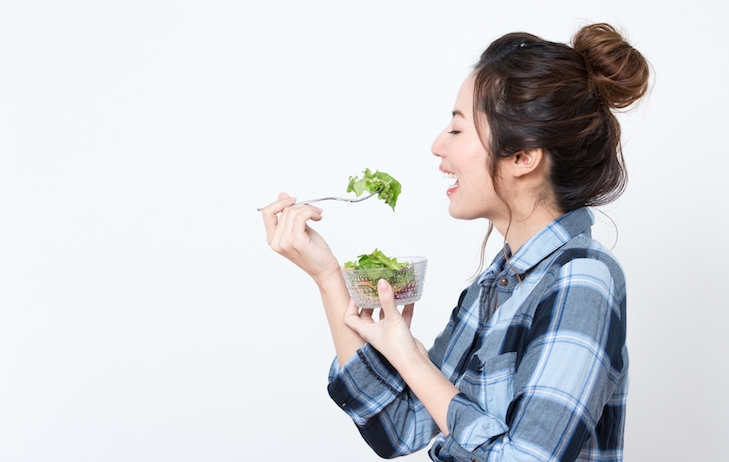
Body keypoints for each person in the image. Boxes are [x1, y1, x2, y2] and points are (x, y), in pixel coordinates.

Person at [261, 23, 650, 462]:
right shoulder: (498, 283)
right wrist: (329, 277)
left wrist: (409, 357)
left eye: (458, 130)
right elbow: (400, 425)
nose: (437, 146)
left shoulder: (582, 278)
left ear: (523, 157)